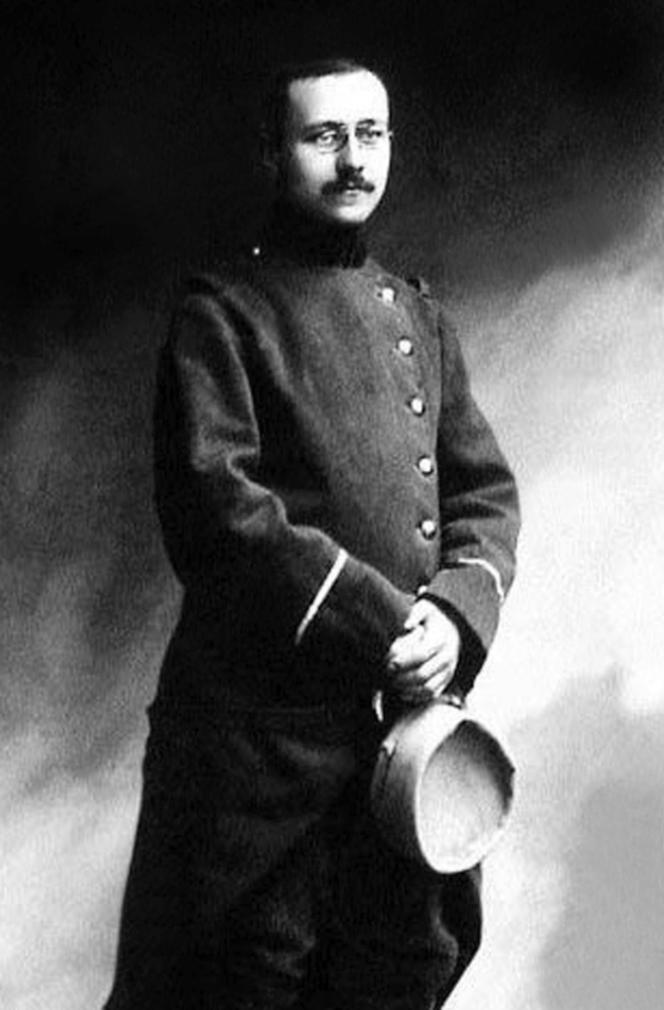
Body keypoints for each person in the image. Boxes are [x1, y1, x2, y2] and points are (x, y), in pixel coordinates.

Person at [104, 57, 520, 1010]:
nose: (353, 160)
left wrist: (454, 618)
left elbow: (485, 497)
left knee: (392, 980)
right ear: (272, 153)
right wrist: (386, 626)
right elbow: (218, 509)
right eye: (324, 137)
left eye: (370, 135)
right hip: (256, 768)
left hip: (400, 751)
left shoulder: (419, 317)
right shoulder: (221, 315)